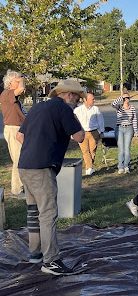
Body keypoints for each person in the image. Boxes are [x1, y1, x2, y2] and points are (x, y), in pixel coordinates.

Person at [16, 79, 85, 275]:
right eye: (77, 98)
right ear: (69, 95)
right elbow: (79, 136)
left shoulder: (38, 107)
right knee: (48, 213)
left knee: (33, 211)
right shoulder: (63, 109)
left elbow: (19, 136)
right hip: (42, 167)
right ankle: (51, 261)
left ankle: (35, 253)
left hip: (25, 165)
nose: (78, 102)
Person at [0, 70, 26, 196]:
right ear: (10, 83)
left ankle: (22, 185)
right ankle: (17, 189)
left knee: (23, 158)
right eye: (17, 80)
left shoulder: (12, 96)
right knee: (18, 159)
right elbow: (21, 89)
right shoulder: (6, 94)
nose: (21, 82)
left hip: (19, 128)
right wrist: (21, 78)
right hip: (13, 129)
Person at [73, 92, 104, 176]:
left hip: (94, 132)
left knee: (92, 150)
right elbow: (74, 122)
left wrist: (101, 131)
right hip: (82, 132)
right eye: (92, 99)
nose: (94, 100)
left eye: (94, 99)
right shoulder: (77, 110)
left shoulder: (96, 109)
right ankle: (89, 168)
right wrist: (73, 133)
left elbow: (100, 121)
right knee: (85, 151)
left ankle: (90, 166)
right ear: (85, 100)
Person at [112, 92, 138, 174]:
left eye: (128, 98)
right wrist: (121, 97)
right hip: (119, 128)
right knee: (121, 149)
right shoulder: (119, 107)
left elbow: (134, 120)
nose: (126, 99)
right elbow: (113, 104)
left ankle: (126, 166)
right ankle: (120, 166)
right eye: (125, 98)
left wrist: (135, 130)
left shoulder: (132, 108)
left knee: (127, 148)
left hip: (129, 128)